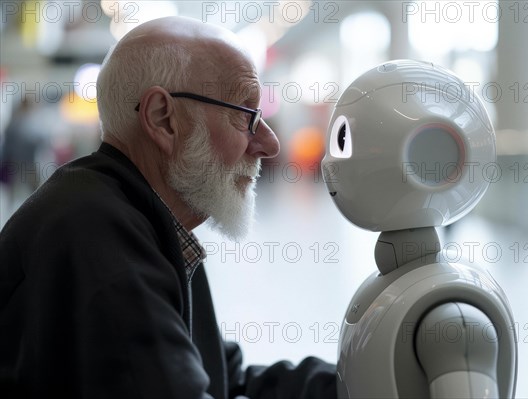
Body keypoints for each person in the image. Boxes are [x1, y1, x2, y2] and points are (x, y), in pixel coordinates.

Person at [0, 16, 336, 399]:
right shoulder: (94, 232)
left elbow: (223, 378)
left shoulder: (143, 222)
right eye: (246, 116)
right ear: (163, 118)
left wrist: (359, 379)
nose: (270, 143)